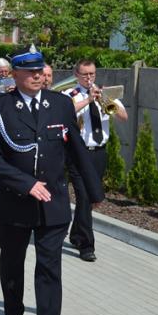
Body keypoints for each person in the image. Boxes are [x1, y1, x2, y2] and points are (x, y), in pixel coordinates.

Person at [0, 44, 104, 315]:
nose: (37, 76)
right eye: (30, 71)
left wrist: (94, 191)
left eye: (40, 70)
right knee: (13, 265)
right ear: (15, 74)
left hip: (52, 202)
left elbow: (76, 148)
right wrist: (26, 184)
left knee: (49, 270)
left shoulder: (60, 104)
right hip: (14, 202)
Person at [62, 59, 128, 262]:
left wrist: (106, 100)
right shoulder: (69, 95)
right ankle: (86, 246)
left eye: (92, 74)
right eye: (85, 74)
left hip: (99, 152)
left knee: (90, 200)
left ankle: (76, 234)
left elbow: (124, 116)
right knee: (84, 197)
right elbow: (64, 113)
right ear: (76, 75)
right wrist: (88, 100)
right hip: (78, 152)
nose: (89, 78)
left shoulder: (105, 93)